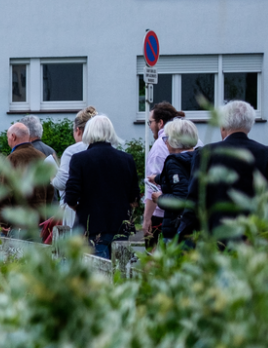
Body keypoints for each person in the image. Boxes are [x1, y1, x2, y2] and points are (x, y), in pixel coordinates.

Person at [181, 100, 268, 239]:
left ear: (223, 126)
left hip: (218, 239)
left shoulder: (205, 154)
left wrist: (183, 232)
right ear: (250, 125)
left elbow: (195, 199)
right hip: (256, 240)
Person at [64, 115, 140, 259]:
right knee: (119, 273)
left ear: (88, 132)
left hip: (91, 226)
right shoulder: (127, 159)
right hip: (120, 225)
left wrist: (79, 208)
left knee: (96, 275)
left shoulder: (80, 159)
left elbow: (71, 196)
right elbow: (134, 197)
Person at [0, 122, 56, 232]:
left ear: (13, 136)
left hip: (18, 224)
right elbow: (50, 190)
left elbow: (5, 193)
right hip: (39, 224)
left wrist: (4, 223)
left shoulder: (12, 159)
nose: (8, 141)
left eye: (7, 137)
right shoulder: (42, 156)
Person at [142, 102, 185, 245]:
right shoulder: (195, 141)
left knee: (155, 262)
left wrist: (147, 218)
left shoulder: (160, 145)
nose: (149, 126)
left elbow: (152, 188)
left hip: (163, 215)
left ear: (160, 123)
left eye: (150, 122)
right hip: (190, 213)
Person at [51, 106, 97, 231]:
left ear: (78, 130)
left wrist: (52, 175)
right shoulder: (104, 148)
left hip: (74, 208)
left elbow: (62, 182)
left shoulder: (72, 151)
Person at [156, 118, 198, 242]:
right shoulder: (199, 157)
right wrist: (158, 179)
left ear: (174, 140)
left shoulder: (174, 161)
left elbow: (181, 198)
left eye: (166, 138)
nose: (165, 143)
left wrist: (159, 199)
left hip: (177, 229)